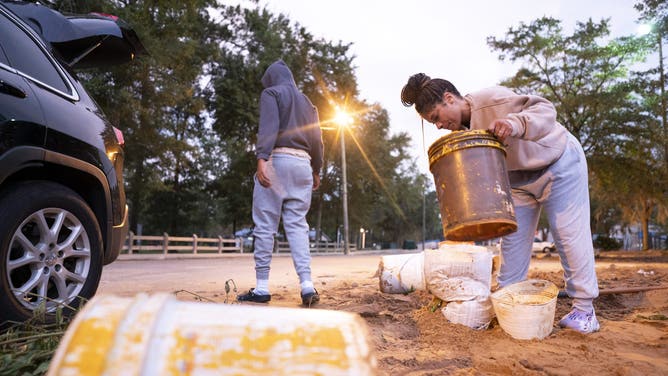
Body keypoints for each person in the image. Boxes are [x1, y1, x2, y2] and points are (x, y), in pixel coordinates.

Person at [401, 73, 600, 333]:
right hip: (517, 182)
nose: (438, 126)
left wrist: (515, 123)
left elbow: (545, 109)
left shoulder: (490, 99)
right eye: (432, 122)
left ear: (449, 99)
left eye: (436, 117)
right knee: (511, 245)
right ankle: (508, 303)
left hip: (558, 164)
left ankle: (585, 311)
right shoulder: (463, 133)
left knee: (568, 236)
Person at [237, 59, 324, 307]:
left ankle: (262, 287)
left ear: (272, 79)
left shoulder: (271, 93)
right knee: (297, 226)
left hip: (277, 160)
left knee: (265, 225)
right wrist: (317, 169)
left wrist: (262, 157)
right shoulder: (308, 103)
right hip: (303, 165)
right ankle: (307, 285)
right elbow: (317, 139)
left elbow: (269, 127)